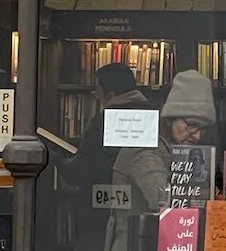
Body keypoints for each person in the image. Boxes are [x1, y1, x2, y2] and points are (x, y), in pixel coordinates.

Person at [104, 69, 217, 251]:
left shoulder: (170, 147)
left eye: (202, 129)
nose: (196, 136)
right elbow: (164, 200)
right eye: (191, 125)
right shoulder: (145, 148)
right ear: (170, 119)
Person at [69, 63, 150, 250]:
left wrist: (56, 158)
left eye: (97, 93)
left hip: (99, 210)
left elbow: (81, 171)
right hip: (137, 211)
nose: (97, 98)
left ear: (110, 95)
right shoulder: (151, 116)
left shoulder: (101, 123)